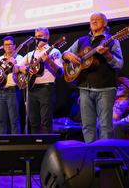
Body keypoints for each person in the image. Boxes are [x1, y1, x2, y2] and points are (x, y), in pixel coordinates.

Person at [62, 12, 123, 142]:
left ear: (105, 23)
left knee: (105, 125)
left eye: (97, 19)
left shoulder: (113, 40)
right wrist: (69, 56)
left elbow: (119, 64)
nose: (94, 21)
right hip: (84, 88)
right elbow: (65, 53)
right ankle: (91, 154)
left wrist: (107, 55)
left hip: (105, 88)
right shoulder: (81, 41)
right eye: (92, 19)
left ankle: (107, 157)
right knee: (87, 126)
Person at [14, 27, 63, 134]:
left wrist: (49, 61)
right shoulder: (31, 54)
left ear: (47, 37)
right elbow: (15, 68)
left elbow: (60, 72)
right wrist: (21, 69)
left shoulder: (54, 51)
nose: (38, 39)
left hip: (46, 88)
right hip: (31, 88)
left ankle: (48, 148)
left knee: (46, 120)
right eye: (36, 37)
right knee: (33, 121)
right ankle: (36, 147)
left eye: (40, 36)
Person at [0, 36, 23, 134]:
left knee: (14, 120)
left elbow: (23, 74)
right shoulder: (0, 59)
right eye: (6, 45)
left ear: (14, 46)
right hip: (0, 90)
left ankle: (15, 146)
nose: (8, 47)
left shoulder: (19, 58)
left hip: (13, 91)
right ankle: (1, 144)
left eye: (10, 44)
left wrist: (15, 65)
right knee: (0, 121)